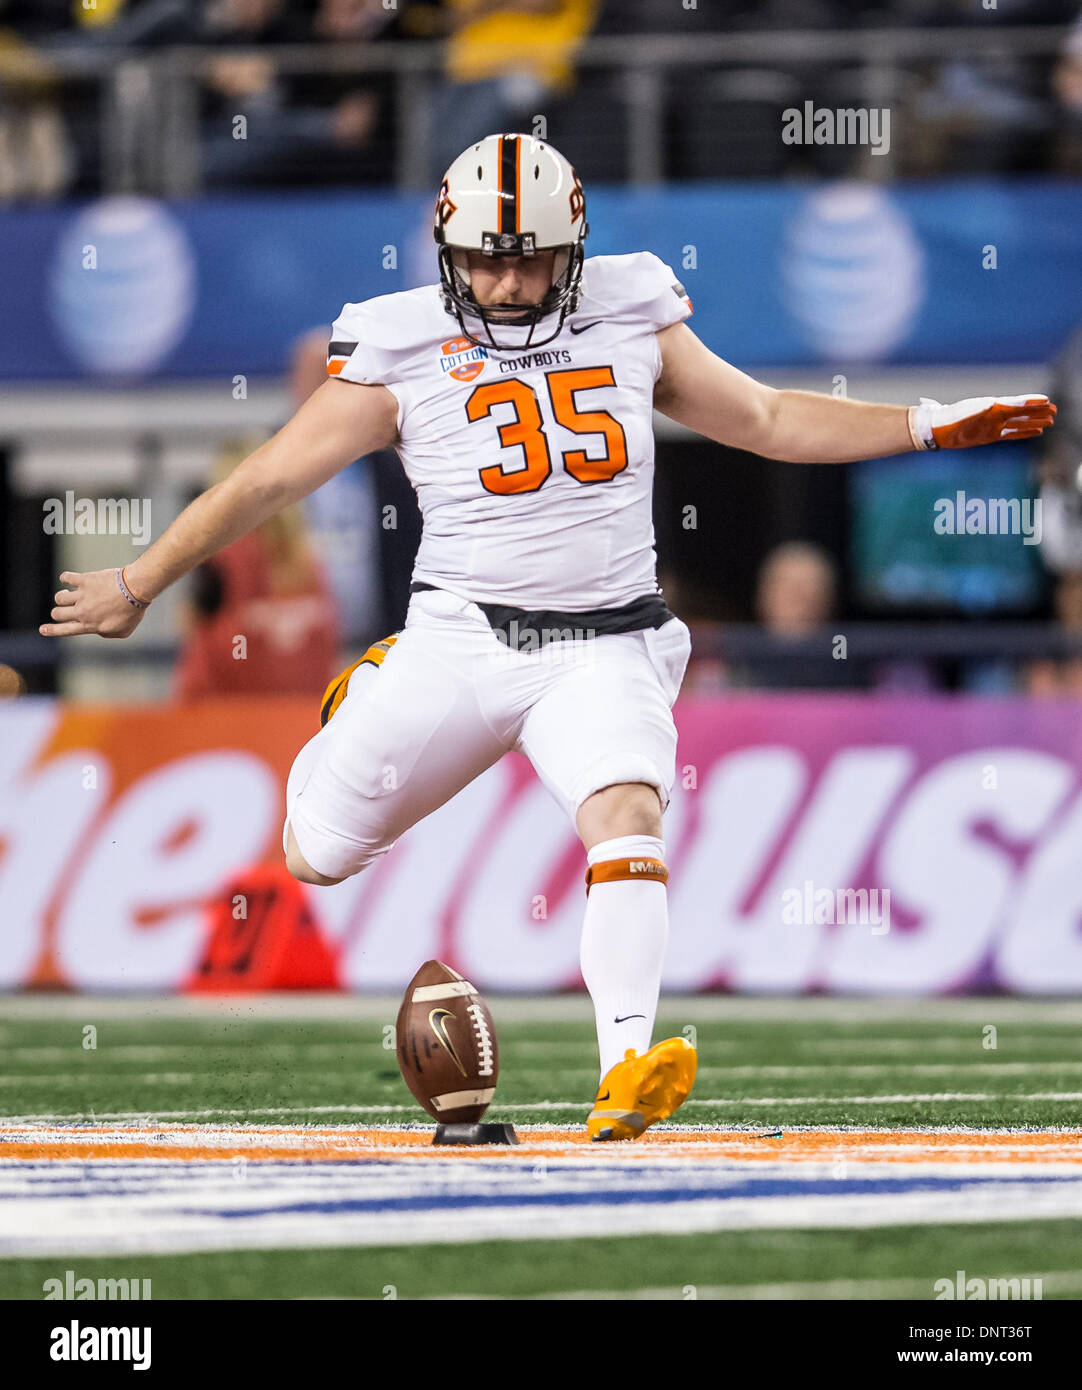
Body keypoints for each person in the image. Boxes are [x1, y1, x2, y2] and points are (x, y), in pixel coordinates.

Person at [40, 133, 1057, 1140]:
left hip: (603, 641)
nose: (509, 279)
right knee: (314, 853)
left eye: (528, 255)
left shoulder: (633, 310)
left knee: (624, 812)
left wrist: (920, 426)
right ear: (448, 253)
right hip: (455, 639)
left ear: (572, 248)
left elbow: (764, 418)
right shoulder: (397, 345)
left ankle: (625, 1065)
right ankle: (363, 693)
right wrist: (138, 580)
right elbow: (268, 477)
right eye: (486, 256)